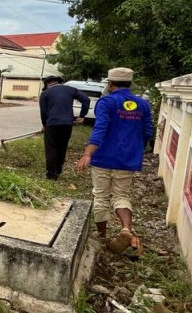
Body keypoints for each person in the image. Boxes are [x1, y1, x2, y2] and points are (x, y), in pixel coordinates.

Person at [75, 67, 153, 255]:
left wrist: (88, 154)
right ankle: (125, 229)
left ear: (110, 83)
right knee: (121, 195)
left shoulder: (107, 102)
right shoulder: (143, 104)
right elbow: (148, 131)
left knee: (101, 196)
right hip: (127, 159)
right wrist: (137, 149)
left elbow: (100, 128)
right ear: (130, 83)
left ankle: (102, 236)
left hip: (104, 157)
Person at [39, 75, 90, 180]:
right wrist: (82, 115)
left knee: (51, 147)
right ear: (59, 82)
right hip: (67, 124)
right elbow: (86, 100)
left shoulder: (45, 93)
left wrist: (45, 125)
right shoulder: (71, 90)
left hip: (52, 124)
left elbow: (43, 112)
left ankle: (51, 174)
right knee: (62, 146)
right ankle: (58, 170)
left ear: (47, 84)